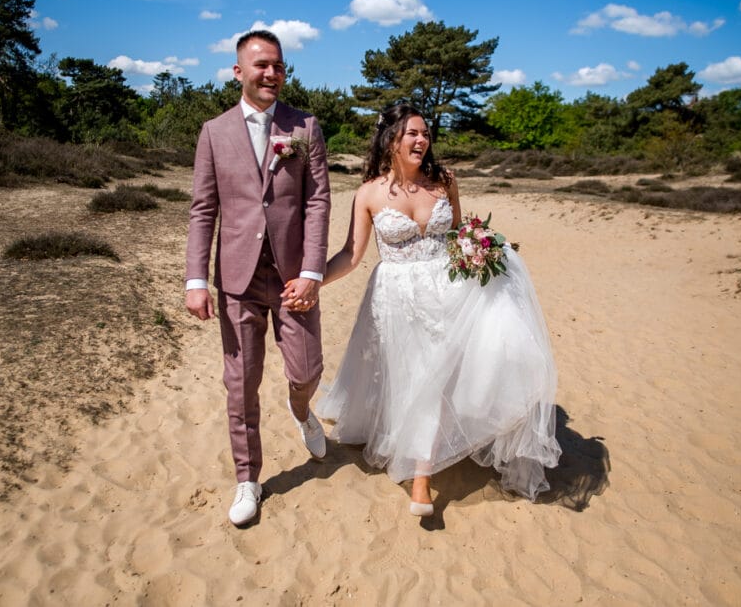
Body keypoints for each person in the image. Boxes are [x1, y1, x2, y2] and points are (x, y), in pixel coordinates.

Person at [318, 103, 560, 516]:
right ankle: (420, 465)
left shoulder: (445, 180)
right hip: (397, 298)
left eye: (426, 133)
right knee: (413, 378)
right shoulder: (369, 193)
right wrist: (312, 279)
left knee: (441, 378)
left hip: (449, 290)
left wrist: (481, 251)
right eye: (412, 133)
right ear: (391, 139)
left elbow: (460, 235)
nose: (422, 140)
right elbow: (352, 255)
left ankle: (421, 478)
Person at [185, 29, 332, 527]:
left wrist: (312, 271)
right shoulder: (213, 131)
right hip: (237, 281)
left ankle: (302, 411)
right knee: (241, 384)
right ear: (238, 71)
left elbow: (317, 201)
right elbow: (203, 209)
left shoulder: (305, 127)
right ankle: (248, 478)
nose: (272, 73)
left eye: (279, 65)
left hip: (294, 276)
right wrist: (195, 280)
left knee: (307, 369)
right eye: (261, 65)